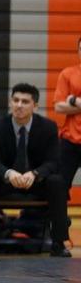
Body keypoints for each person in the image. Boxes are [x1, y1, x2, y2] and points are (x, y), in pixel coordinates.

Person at [0, 83, 70, 258]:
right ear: (10, 102)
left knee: (57, 182)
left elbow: (53, 162)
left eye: (25, 102)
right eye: (16, 100)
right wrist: (9, 173)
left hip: (36, 181)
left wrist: (35, 174)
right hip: (7, 181)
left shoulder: (48, 127)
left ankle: (58, 243)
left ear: (35, 106)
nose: (19, 105)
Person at [54, 36, 81, 193]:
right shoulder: (68, 73)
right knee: (59, 185)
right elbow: (58, 107)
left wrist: (74, 100)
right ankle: (58, 211)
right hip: (70, 139)